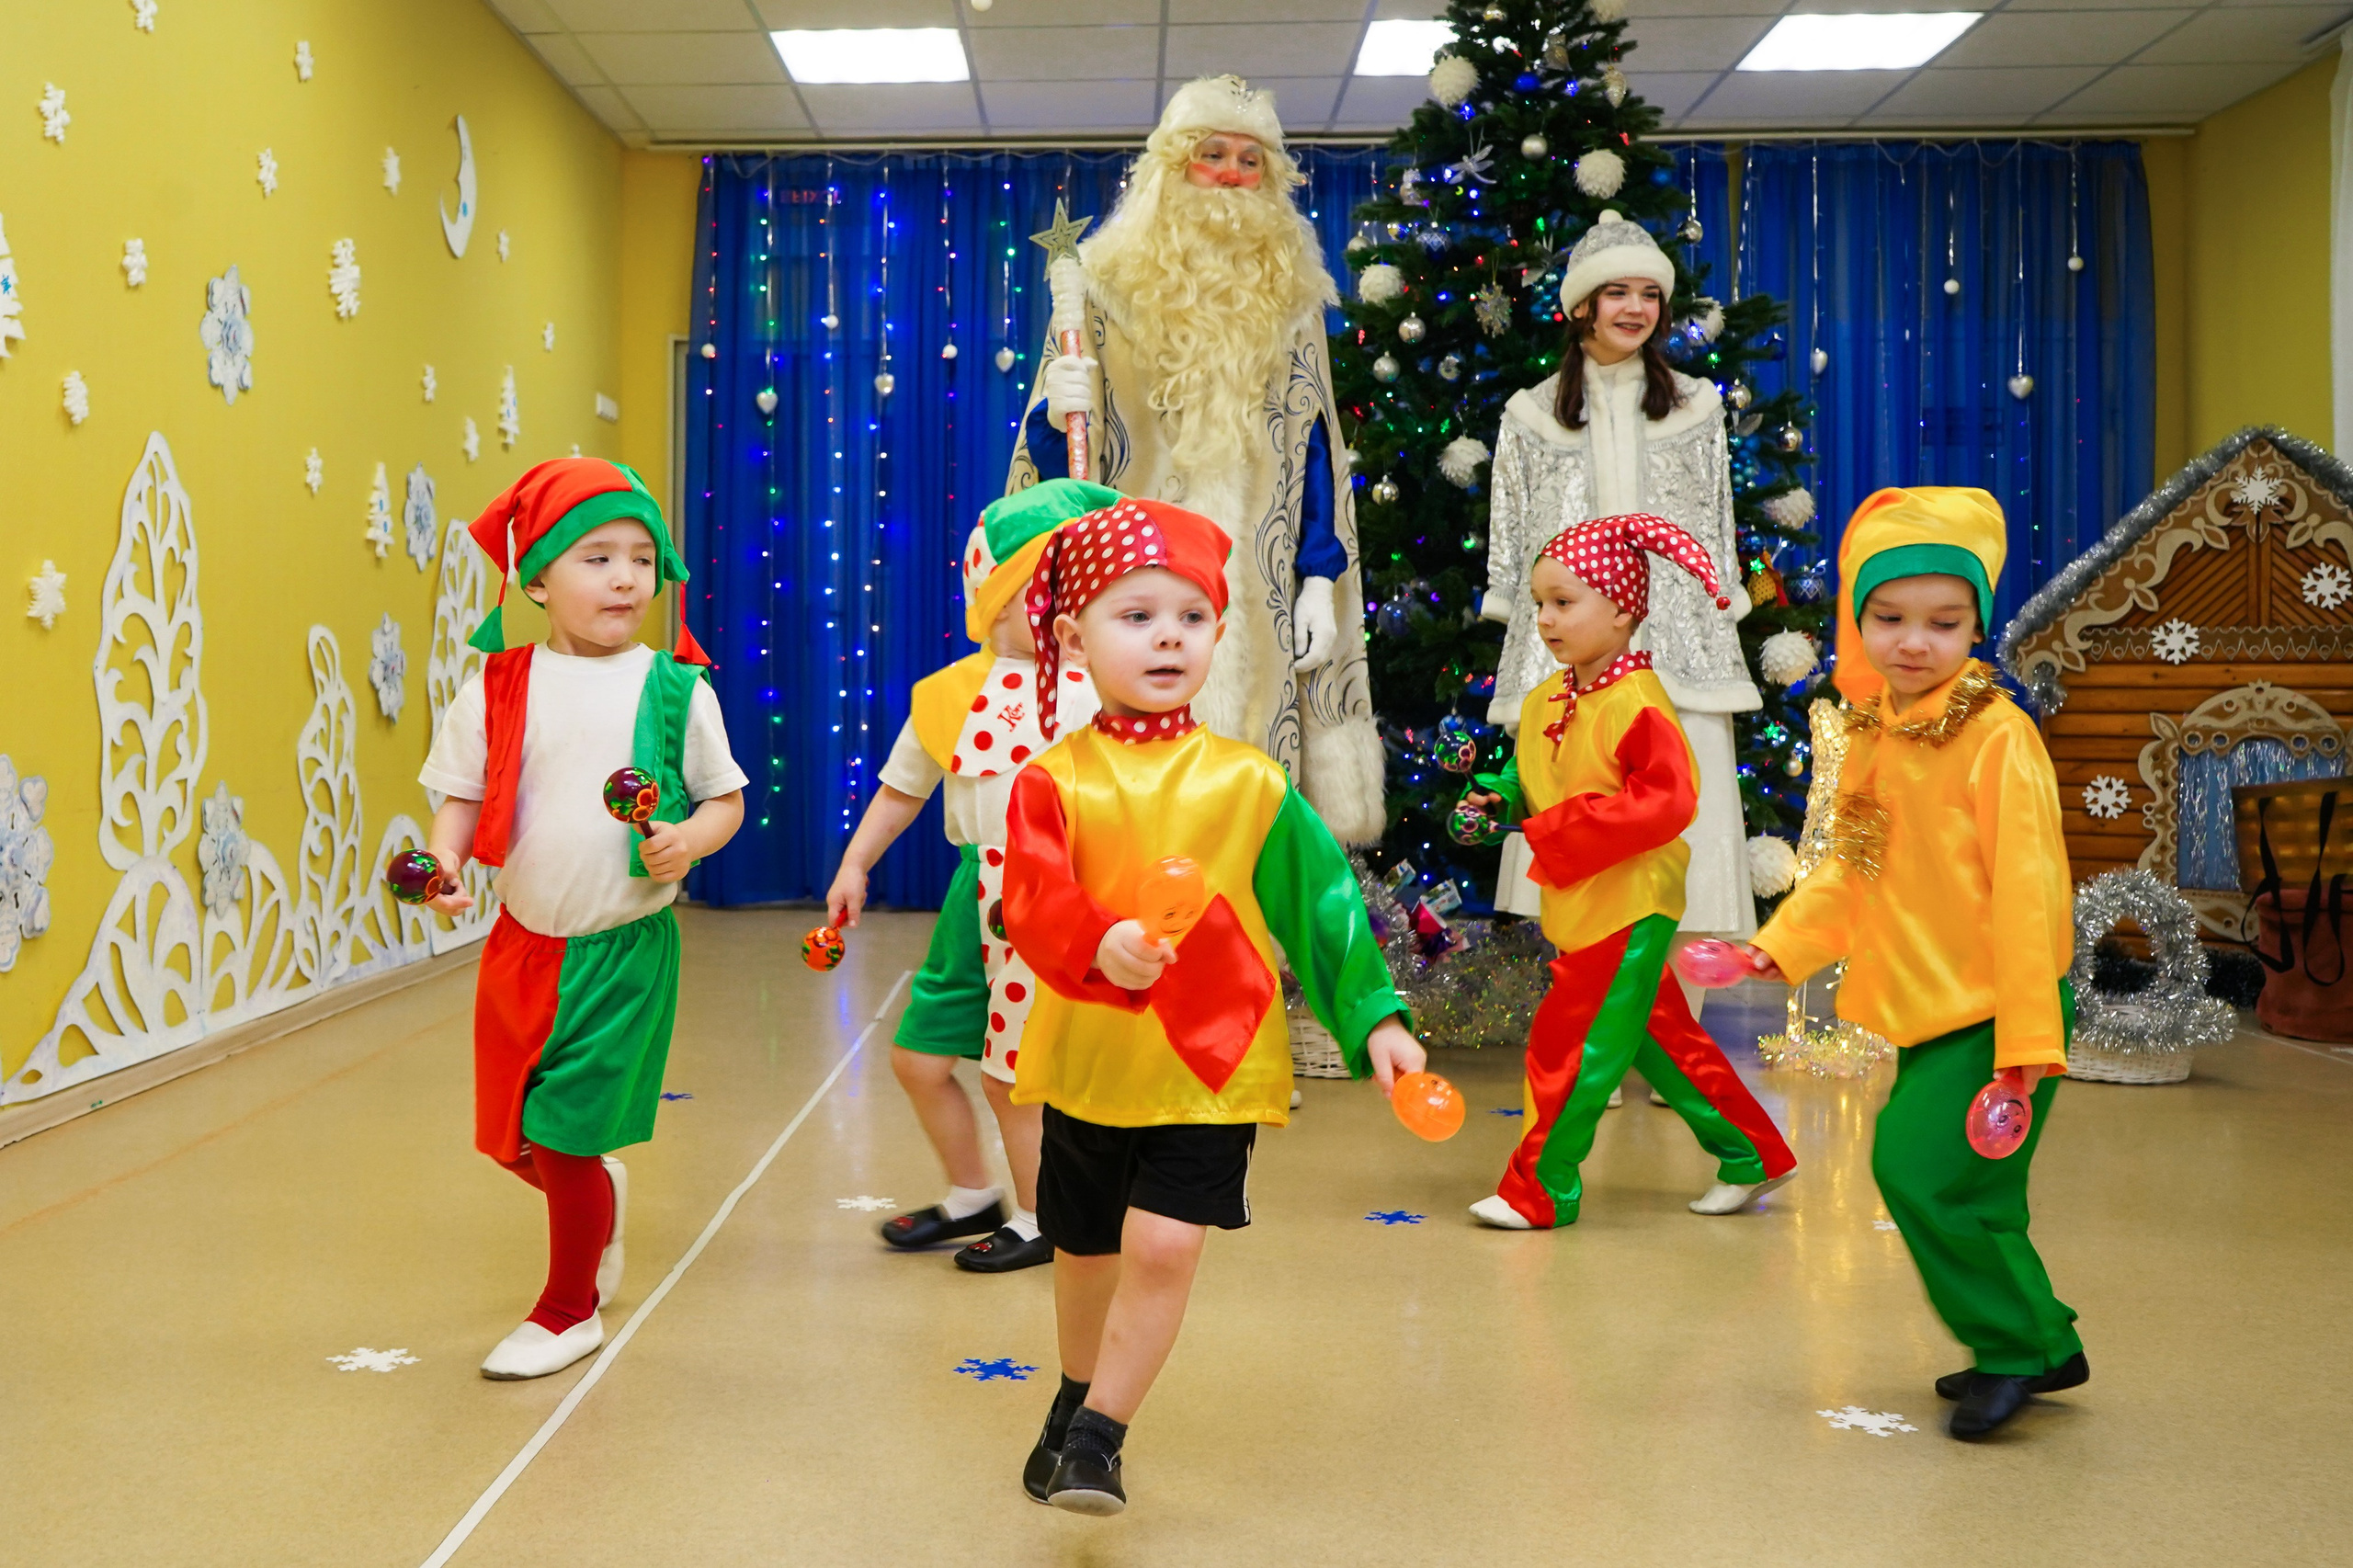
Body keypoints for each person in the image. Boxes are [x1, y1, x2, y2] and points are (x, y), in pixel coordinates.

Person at [999, 495, 1423, 1515]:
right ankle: (1071, 1396)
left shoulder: (1250, 780)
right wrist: (1097, 939)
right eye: (1135, 615)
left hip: (1212, 1059)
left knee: (1163, 1242)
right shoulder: (1052, 781)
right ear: (1071, 636)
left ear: (1218, 634)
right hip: (1093, 1054)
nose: (1166, 637)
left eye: (1190, 617)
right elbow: (1034, 896)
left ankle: (1100, 1435)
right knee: (1086, 1250)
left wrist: (1376, 1017)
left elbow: (1322, 902)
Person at [1745, 486, 2085, 1441]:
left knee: (1914, 1168)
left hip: (2000, 1002)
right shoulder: (1877, 733)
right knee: (1978, 1187)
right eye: (1888, 618)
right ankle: (2042, 1337)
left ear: (1976, 626)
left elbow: (2030, 894)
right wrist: (1774, 947)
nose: (1912, 642)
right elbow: (1848, 868)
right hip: (1936, 1010)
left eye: (1943, 622)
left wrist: (2025, 1037)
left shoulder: (1996, 738)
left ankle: (2012, 1347)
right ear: (1859, 623)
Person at [415, 458, 745, 1381]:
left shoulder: (679, 688)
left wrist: (689, 837)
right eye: (597, 556)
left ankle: (567, 1310)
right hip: (523, 944)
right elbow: (458, 795)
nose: (627, 577)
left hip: (622, 946)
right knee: (514, 1135)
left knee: (563, 1132)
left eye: (642, 558)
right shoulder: (496, 684)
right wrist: (441, 864)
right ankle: (591, 1192)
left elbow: (725, 800)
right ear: (537, 577)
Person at [1007, 74, 1383, 846]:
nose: (1233, 175)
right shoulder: (1100, 289)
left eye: (1252, 161)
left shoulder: (1295, 301)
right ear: (1173, 168)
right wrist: (1052, 416)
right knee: (1130, 805)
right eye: (1213, 154)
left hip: (1261, 584)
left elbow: (1314, 445)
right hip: (1134, 583)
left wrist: (1319, 575)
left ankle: (1249, 955)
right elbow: (1061, 471)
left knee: (1254, 788)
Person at [1460, 513, 1794, 1232]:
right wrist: (1499, 793)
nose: (1545, 618)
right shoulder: (1551, 698)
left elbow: (1667, 801)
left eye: (1563, 602)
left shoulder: (1640, 704)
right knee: (1665, 1040)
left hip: (1629, 904)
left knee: (1569, 1044)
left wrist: (1549, 829)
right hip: (1583, 902)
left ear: (1621, 609)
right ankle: (1753, 1152)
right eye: (1539, 602)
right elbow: (1539, 772)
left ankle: (1540, 1189)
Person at [824, 479, 1120, 1274]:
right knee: (919, 1060)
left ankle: (1039, 1217)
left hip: (1057, 900)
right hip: (974, 896)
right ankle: (970, 1196)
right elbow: (902, 787)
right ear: (988, 597)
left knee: (1011, 1079)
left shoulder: (1106, 692)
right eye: (1032, 589)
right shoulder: (953, 693)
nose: (1054, 607)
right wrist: (856, 864)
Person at [1483, 210, 1758, 1000]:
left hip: (1678, 647)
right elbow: (1512, 520)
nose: (1634, 309)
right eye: (1617, 294)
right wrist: (1517, 605)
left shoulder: (1696, 407)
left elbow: (1714, 513)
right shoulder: (1531, 414)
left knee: (1687, 819)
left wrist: (1718, 594)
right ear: (1582, 307)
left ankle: (1680, 1034)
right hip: (1569, 646)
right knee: (1580, 818)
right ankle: (1591, 1028)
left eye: (1649, 295)